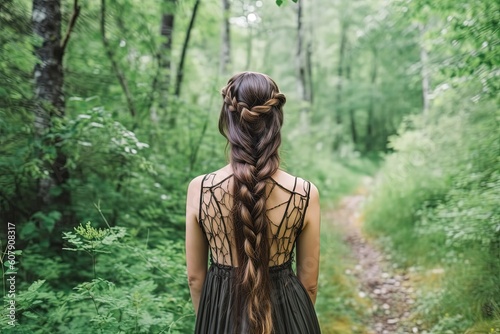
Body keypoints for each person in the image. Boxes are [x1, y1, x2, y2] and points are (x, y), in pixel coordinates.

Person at [185, 71, 321, 334]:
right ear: (276, 120)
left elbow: (195, 278)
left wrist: (210, 321)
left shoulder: (200, 189)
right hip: (289, 315)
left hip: (221, 314)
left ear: (228, 120)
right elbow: (310, 282)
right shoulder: (304, 192)